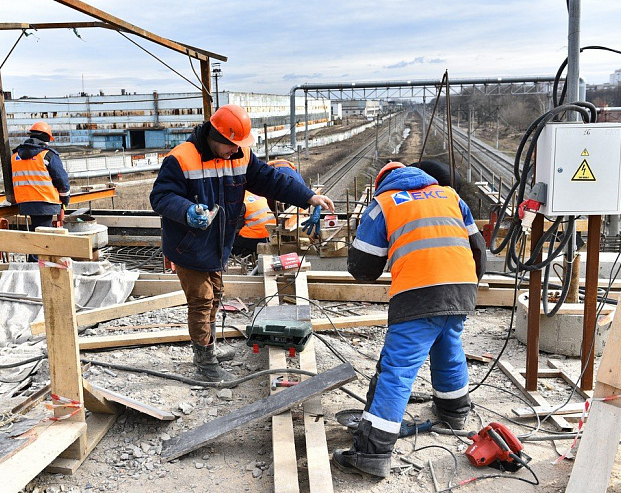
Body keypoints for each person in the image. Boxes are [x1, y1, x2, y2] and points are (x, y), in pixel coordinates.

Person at [150, 104, 334, 382]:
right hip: (187, 245)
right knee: (202, 300)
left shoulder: (240, 154)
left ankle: (207, 347)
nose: (236, 151)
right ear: (216, 137)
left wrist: (308, 197)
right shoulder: (181, 159)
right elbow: (161, 197)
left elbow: (271, 180)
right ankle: (204, 362)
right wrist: (187, 211)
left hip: (217, 245)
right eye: (232, 145)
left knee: (215, 296)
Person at [332, 161, 486, 478]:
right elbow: (478, 249)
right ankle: (454, 412)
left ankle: (372, 454)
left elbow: (363, 268)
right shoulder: (449, 195)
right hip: (462, 287)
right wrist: (461, 287)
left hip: (418, 292)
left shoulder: (383, 203)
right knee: (447, 345)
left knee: (398, 368)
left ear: (382, 182)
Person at [11, 121, 70, 262]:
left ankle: (35, 262)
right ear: (46, 138)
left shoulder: (15, 156)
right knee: (43, 239)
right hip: (46, 202)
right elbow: (62, 180)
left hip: (25, 202)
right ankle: (37, 267)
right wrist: (65, 199)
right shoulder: (47, 156)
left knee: (36, 233)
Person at [232, 191, 276, 256]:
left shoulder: (241, 201)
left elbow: (236, 226)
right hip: (271, 234)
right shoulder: (258, 195)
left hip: (256, 237)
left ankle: (239, 255)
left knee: (231, 240)